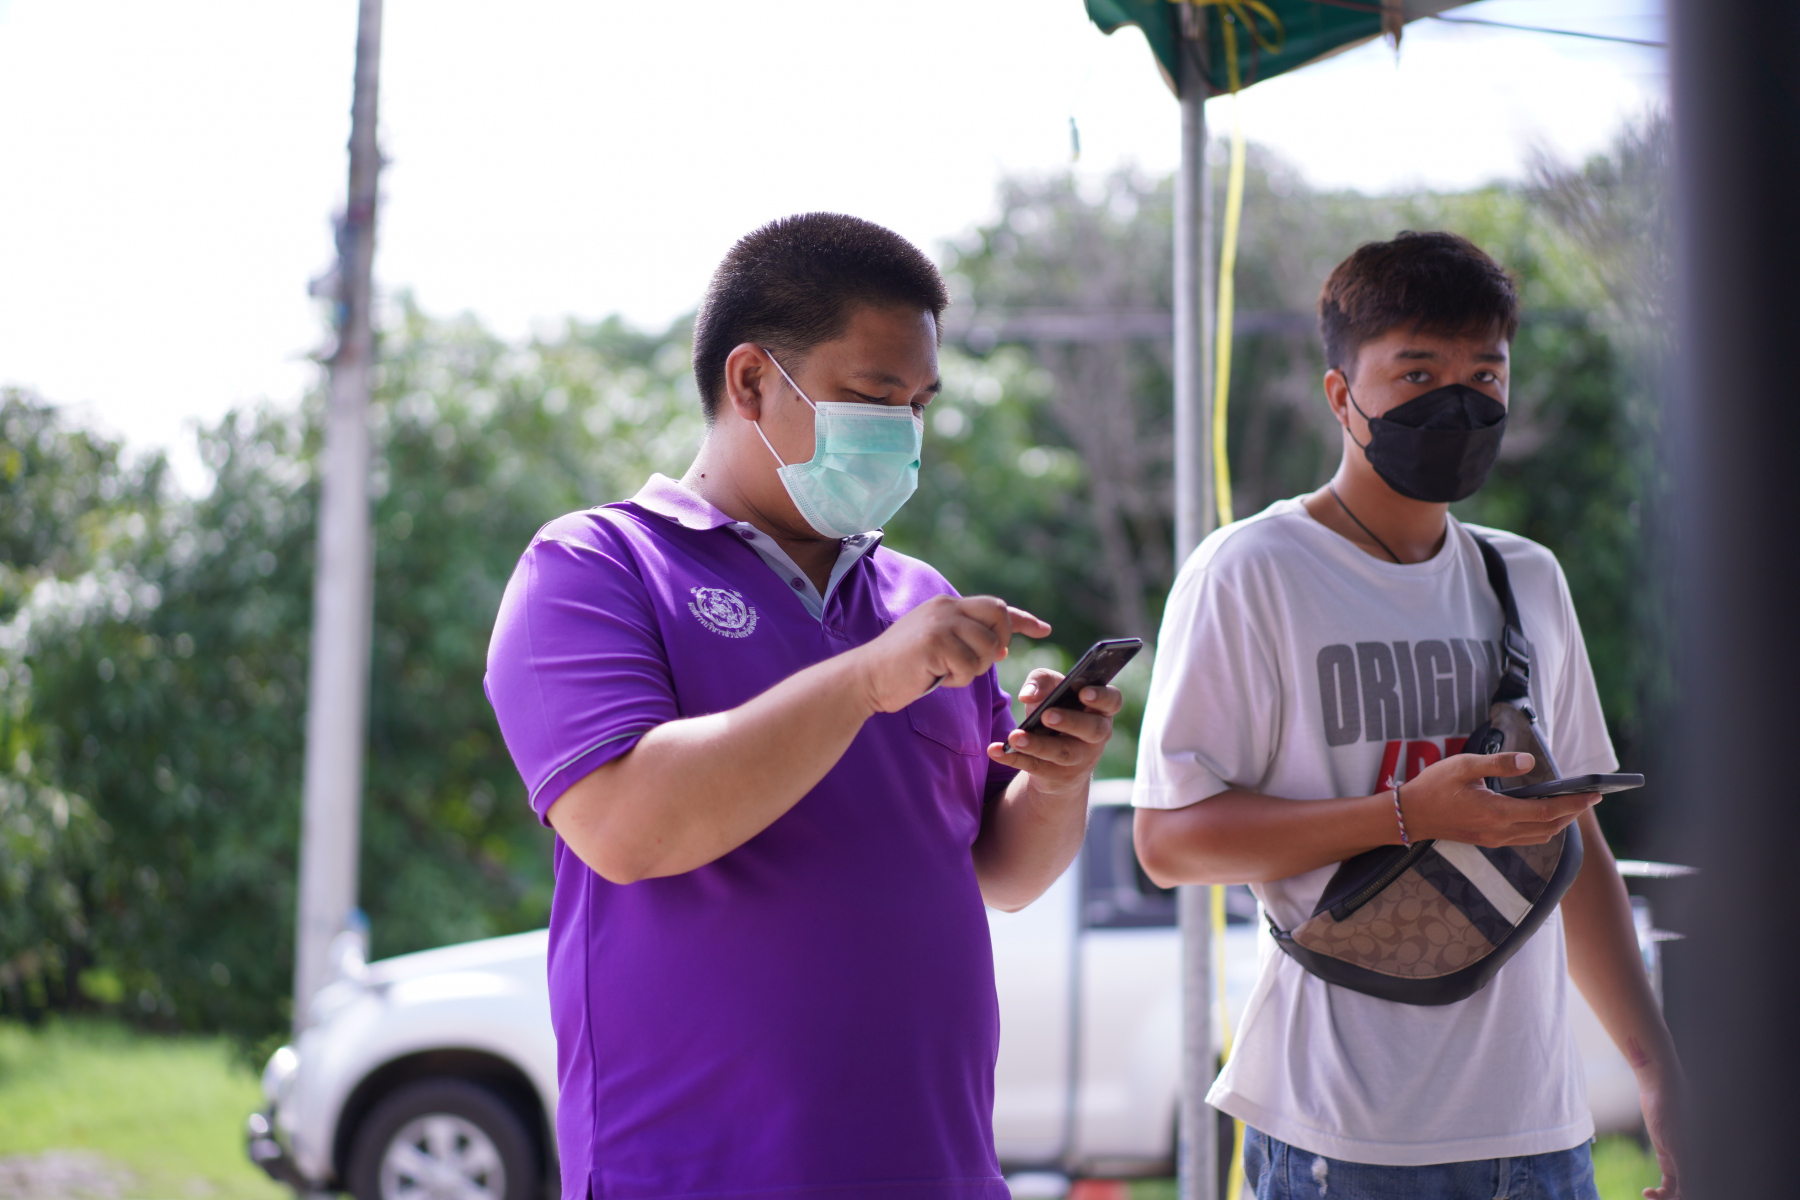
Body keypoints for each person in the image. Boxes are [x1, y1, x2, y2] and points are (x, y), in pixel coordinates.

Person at [484, 212, 1121, 1200]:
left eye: (919, 402)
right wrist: (864, 682)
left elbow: (1003, 874)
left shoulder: (918, 598)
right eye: (874, 396)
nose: (903, 431)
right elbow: (625, 829)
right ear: (750, 381)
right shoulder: (594, 567)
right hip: (694, 1175)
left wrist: (1059, 780)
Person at [1133, 232, 1684, 1200]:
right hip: (1341, 1133)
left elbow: (1576, 844)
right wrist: (1406, 815)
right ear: (1341, 394)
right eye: (1418, 372)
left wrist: (1659, 1075)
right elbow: (1170, 843)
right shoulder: (1251, 571)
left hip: (1538, 1131)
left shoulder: (1526, 578)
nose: (1458, 402)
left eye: (1485, 374)